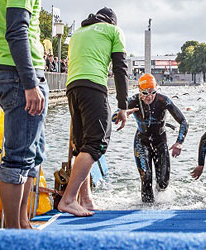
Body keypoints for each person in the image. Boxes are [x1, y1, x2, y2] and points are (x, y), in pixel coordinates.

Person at [57, 7, 133, 217]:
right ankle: (69, 199)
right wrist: (123, 106)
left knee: (82, 145)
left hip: (72, 87)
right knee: (97, 142)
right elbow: (120, 69)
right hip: (93, 86)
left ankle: (86, 199)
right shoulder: (113, 31)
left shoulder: (78, 33)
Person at [0, 0, 47, 229]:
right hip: (19, 75)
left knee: (32, 154)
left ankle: (22, 224)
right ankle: (13, 233)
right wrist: (30, 83)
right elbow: (16, 29)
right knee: (19, 158)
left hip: (15, 71)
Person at [126, 73, 188, 202]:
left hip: (160, 141)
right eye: (145, 93)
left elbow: (183, 121)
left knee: (163, 182)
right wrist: (122, 113)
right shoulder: (132, 101)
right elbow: (113, 116)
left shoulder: (163, 101)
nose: (149, 97)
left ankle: (160, 203)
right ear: (139, 90)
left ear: (157, 89)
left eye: (152, 92)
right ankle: (146, 209)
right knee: (146, 176)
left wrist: (179, 142)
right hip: (141, 141)